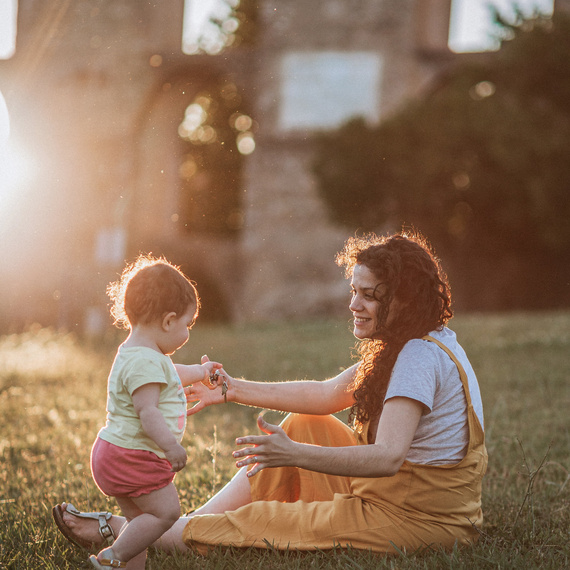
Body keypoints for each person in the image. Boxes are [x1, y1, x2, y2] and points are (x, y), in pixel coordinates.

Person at [53, 232, 487, 562]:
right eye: (354, 290)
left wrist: (293, 454)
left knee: (268, 522)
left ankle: (123, 530)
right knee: (305, 422)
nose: (354, 304)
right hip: (397, 494)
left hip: (417, 518)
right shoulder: (414, 343)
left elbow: (388, 457)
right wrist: (231, 388)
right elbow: (326, 394)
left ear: (403, 300)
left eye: (369, 295)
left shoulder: (417, 357)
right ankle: (182, 528)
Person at [53, 255, 222, 569]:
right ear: (168, 321)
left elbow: (171, 374)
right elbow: (147, 412)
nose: (187, 333)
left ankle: (127, 563)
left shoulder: (139, 353)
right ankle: (111, 557)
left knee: (141, 523)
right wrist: (171, 447)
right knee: (167, 514)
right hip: (133, 456)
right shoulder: (146, 361)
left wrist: (200, 372)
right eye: (187, 324)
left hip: (116, 454)